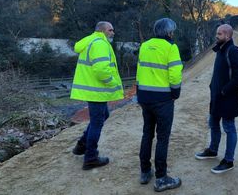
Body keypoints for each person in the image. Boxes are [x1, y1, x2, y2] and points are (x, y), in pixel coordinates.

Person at [136, 18, 183, 192]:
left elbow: (139, 71)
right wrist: (175, 93)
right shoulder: (171, 47)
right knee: (162, 137)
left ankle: (145, 171)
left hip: (144, 98)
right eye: (173, 31)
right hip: (163, 100)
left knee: (147, 134)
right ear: (169, 32)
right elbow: (175, 75)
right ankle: (162, 178)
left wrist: (139, 91)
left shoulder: (145, 45)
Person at [70, 21, 124, 170]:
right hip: (97, 92)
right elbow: (101, 70)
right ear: (101, 31)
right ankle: (91, 158)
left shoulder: (91, 41)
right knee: (97, 122)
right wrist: (112, 82)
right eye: (110, 30)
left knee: (103, 115)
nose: (113, 32)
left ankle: (81, 146)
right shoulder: (100, 43)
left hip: (93, 91)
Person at [195, 24, 238, 174]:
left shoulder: (233, 51)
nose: (217, 36)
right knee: (213, 123)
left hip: (228, 98)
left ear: (228, 36)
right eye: (217, 33)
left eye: (220, 34)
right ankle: (213, 150)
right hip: (216, 96)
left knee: (229, 128)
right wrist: (213, 87)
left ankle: (228, 161)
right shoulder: (221, 50)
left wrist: (224, 90)